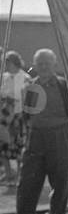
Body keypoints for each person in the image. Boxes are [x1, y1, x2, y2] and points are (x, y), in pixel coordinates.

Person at [0, 49, 68, 214]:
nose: (43, 67)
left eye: (47, 63)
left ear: (54, 64)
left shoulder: (65, 87)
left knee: (60, 184)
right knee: (27, 184)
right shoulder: (30, 87)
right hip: (35, 138)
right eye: (39, 64)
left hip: (60, 137)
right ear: (34, 65)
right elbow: (25, 115)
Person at [0, 51, 29, 185]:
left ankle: (19, 175)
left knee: (18, 145)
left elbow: (27, 99)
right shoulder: (3, 77)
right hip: (4, 117)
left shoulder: (25, 77)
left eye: (8, 62)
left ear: (15, 62)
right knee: (3, 145)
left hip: (18, 117)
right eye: (4, 62)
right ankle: (8, 173)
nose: (5, 65)